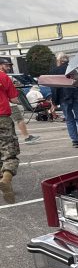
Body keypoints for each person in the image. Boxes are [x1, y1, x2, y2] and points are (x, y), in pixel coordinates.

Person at [50, 52, 78, 148]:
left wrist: (54, 102)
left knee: (69, 119)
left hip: (64, 98)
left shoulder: (55, 70)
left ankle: (75, 141)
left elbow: (54, 88)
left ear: (59, 60)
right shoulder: (76, 69)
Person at [0, 56, 21, 203]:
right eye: (6, 65)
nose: (8, 68)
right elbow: (14, 99)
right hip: (2, 117)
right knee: (9, 151)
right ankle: (6, 179)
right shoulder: (4, 77)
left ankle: (6, 186)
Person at [8, 76, 41, 143]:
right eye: (15, 82)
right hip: (11, 105)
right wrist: (19, 102)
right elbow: (13, 99)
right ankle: (27, 137)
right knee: (19, 120)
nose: (17, 84)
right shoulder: (8, 84)